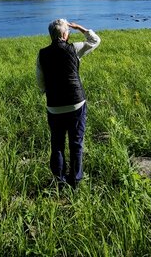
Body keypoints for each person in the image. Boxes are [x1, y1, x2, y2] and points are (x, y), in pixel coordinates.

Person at [35, 19, 100, 189]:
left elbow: (40, 82)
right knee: (76, 143)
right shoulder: (75, 48)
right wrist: (80, 28)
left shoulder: (42, 53)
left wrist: (49, 92)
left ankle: (59, 181)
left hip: (54, 106)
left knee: (57, 144)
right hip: (76, 103)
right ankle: (75, 181)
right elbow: (95, 41)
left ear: (51, 35)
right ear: (65, 34)